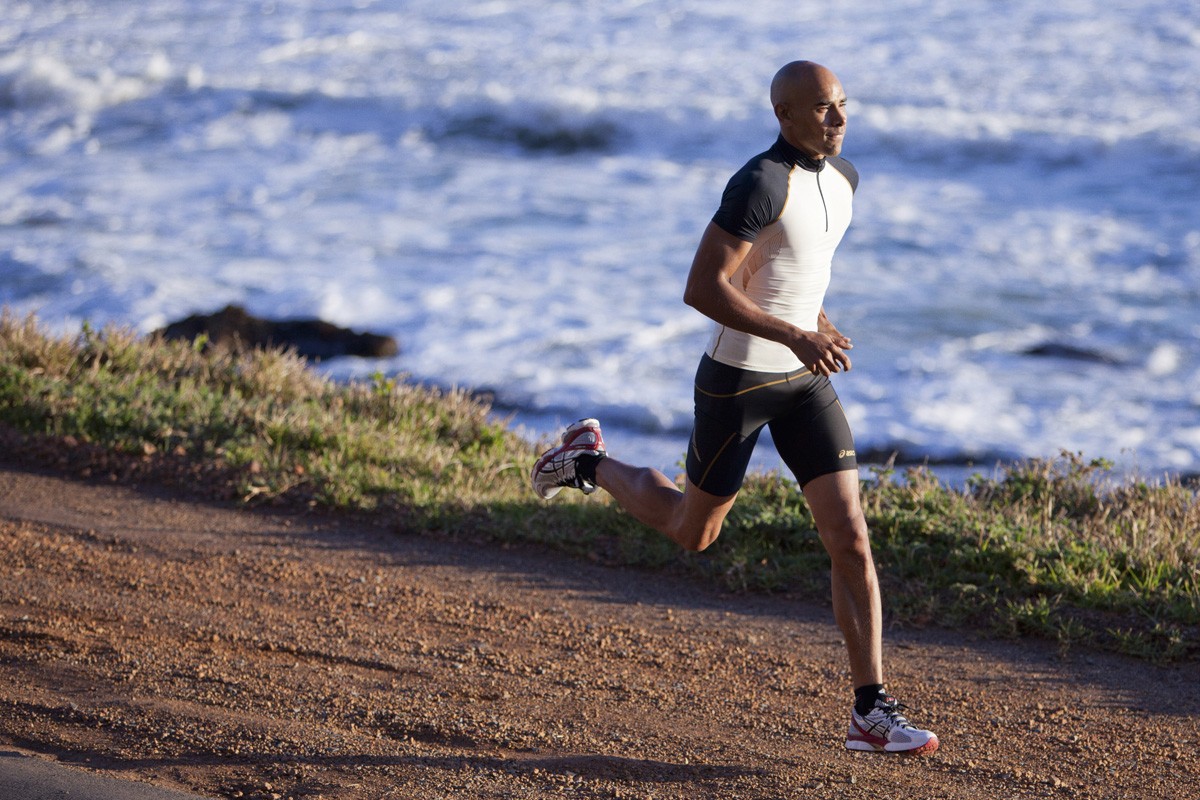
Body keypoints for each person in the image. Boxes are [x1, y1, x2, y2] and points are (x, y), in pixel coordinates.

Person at [531, 61, 938, 756]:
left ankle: (869, 711)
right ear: (784, 115)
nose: (839, 119)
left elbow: (789, 272)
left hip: (804, 380)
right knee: (695, 532)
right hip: (739, 379)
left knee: (851, 539)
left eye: (842, 105)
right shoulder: (759, 182)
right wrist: (796, 334)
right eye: (821, 109)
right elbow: (704, 287)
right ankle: (588, 462)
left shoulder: (844, 180)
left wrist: (818, 321)